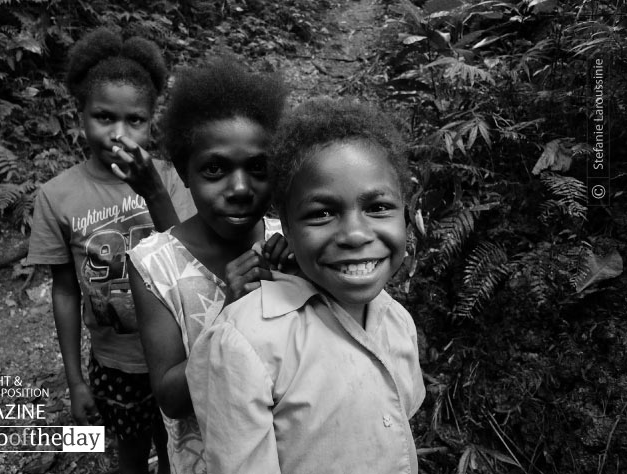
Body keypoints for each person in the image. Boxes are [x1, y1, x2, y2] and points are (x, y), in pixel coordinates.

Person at [185, 99, 426, 474]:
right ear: (286, 226)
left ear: (407, 211)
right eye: (322, 213)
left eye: (378, 207)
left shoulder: (398, 322)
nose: (356, 235)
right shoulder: (244, 343)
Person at [26, 28, 196, 474]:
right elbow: (65, 291)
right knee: (131, 453)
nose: (119, 134)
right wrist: (75, 380)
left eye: (135, 121)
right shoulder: (56, 196)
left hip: (179, 355)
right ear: (79, 113)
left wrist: (154, 192)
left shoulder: (171, 177)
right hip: (115, 364)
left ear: (150, 119)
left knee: (180, 450)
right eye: (104, 117)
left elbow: (191, 261)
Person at [127, 57, 289, 474]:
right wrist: (229, 314)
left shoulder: (290, 240)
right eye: (215, 169)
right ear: (184, 172)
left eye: (257, 167)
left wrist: (303, 280)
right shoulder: (154, 266)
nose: (239, 189)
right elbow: (172, 399)